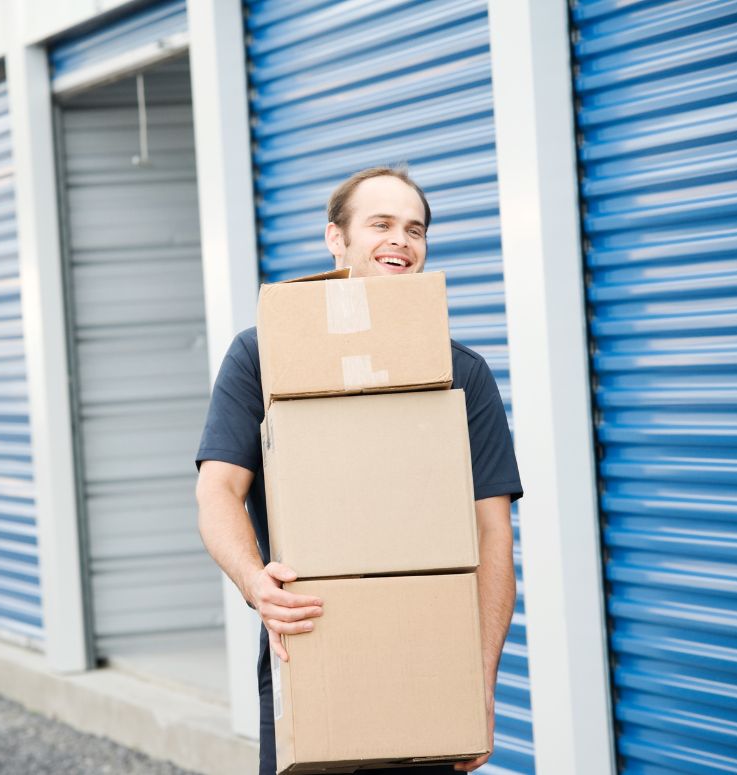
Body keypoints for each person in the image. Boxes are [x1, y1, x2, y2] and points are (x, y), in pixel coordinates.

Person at [194, 167, 524, 774]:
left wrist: (479, 683)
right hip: (310, 652)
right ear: (336, 238)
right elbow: (218, 488)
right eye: (381, 224)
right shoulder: (263, 353)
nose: (402, 239)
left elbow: (492, 533)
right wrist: (253, 581)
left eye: (415, 229)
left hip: (430, 667)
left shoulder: (463, 374)